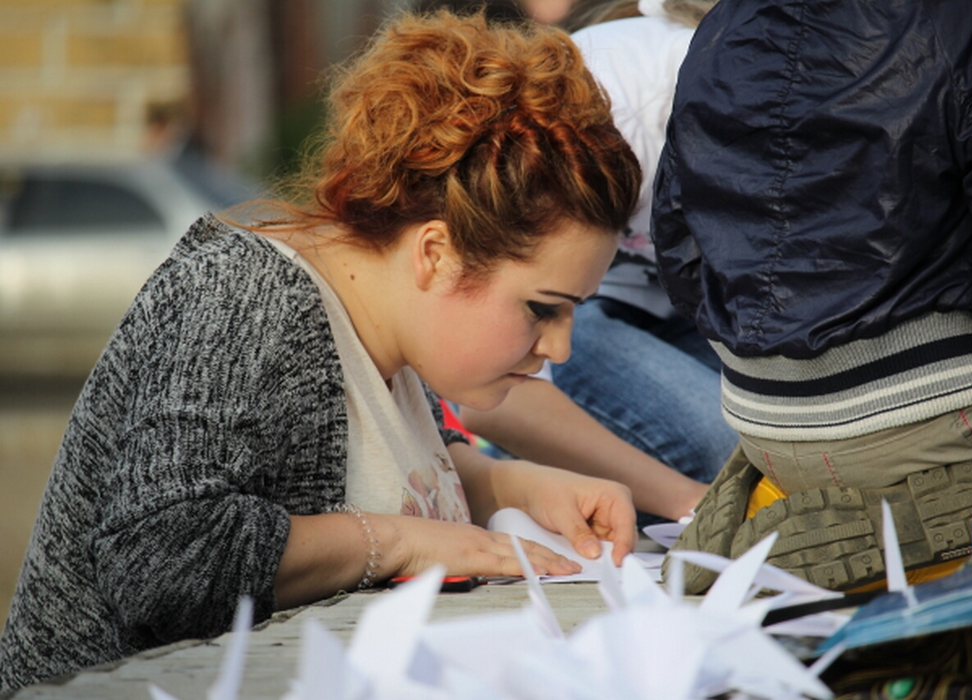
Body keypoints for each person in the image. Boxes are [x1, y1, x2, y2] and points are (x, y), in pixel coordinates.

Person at [0, 11, 642, 692]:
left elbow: (398, 470)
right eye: (543, 308)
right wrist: (394, 541)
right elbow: (162, 559)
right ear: (436, 253)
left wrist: (517, 486)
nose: (559, 347)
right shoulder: (241, 296)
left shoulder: (390, 329)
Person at [654, 0, 972, 592]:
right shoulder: (970, 18)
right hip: (932, 415)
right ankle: (940, 516)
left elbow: (678, 247)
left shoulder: (721, 26)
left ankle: (767, 500)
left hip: (762, 417)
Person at [459, 0, 739, 527]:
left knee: (779, 441)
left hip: (660, 313)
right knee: (731, 451)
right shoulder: (609, 122)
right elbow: (485, 398)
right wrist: (692, 502)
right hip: (592, 318)